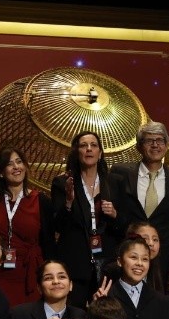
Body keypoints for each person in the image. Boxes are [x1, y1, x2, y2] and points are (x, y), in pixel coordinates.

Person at [51, 131, 121, 307]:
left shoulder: (115, 182)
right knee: (75, 314)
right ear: (76, 152)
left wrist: (114, 214)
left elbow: (126, 224)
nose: (89, 149)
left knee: (105, 313)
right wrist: (68, 201)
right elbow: (58, 226)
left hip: (107, 260)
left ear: (100, 153)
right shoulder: (63, 183)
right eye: (83, 145)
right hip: (75, 261)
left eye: (93, 145)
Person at [111, 121, 169, 280]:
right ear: (139, 146)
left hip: (161, 255)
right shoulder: (120, 173)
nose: (155, 145)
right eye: (149, 141)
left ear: (166, 146)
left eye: (160, 140)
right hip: (127, 252)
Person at [0, 146, 53, 305]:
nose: (16, 167)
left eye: (19, 162)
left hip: (31, 272)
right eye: (9, 164)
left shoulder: (41, 201)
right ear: (1, 172)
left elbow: (48, 243)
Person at [1, 260, 86, 319]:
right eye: (48, 278)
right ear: (39, 288)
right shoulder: (19, 315)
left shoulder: (79, 316)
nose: (56, 281)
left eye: (62, 277)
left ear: (71, 285)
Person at [126, 220, 169, 292]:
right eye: (145, 238)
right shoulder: (114, 271)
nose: (151, 243)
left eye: (155, 239)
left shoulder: (159, 272)